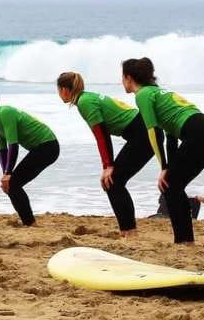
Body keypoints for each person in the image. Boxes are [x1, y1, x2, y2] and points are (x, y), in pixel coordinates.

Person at [56, 71, 174, 235]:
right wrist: (108, 165)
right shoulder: (87, 98)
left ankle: (129, 231)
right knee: (114, 182)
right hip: (142, 133)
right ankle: (128, 230)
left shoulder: (84, 102)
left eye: (58, 90)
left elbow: (101, 135)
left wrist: (108, 166)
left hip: (143, 134)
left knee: (113, 181)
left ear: (64, 90)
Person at [123, 57, 203, 244]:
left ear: (128, 77)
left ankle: (184, 240)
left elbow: (154, 133)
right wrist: (169, 167)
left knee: (171, 186)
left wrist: (164, 167)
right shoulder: (159, 92)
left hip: (197, 133)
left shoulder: (142, 95)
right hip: (198, 129)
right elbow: (171, 136)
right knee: (173, 185)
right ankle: (185, 240)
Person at [0, 106, 59, 227]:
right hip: (41, 148)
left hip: (48, 146)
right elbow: (2, 149)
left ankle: (30, 223)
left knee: (13, 184)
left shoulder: (5, 113)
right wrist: (5, 174)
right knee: (11, 184)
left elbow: (13, 146)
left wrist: (9, 174)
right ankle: (29, 222)